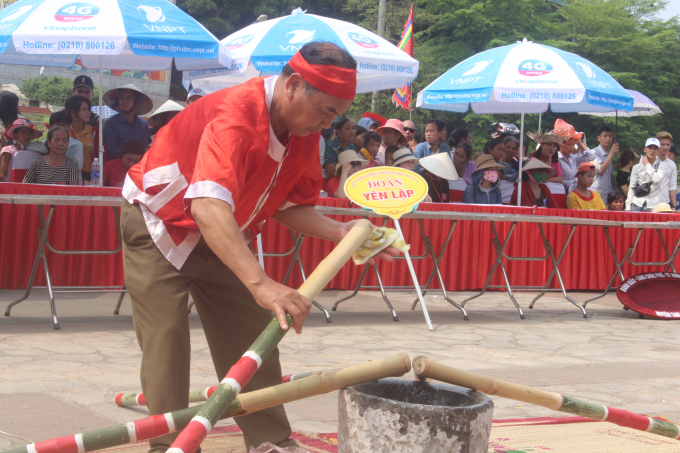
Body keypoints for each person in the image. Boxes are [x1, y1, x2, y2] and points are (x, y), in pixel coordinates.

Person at [121, 42, 398, 452]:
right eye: (326, 111)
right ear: (295, 85)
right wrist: (262, 283)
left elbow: (288, 205)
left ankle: (271, 442)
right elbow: (208, 205)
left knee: (253, 334)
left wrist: (341, 231)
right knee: (166, 337)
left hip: (224, 229)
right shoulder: (236, 113)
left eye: (338, 116)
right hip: (161, 221)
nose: (328, 124)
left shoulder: (303, 133)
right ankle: (172, 446)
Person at [27, 112, 84, 184]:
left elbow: (73, 188)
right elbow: (25, 186)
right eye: (58, 124)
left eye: (65, 124)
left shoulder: (72, 164)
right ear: (50, 127)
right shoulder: (36, 163)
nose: (60, 144)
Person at [103, 84, 151, 160]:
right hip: (116, 165)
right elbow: (110, 152)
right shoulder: (110, 123)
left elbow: (144, 149)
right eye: (121, 97)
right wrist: (132, 149)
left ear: (137, 101)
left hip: (137, 167)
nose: (124, 101)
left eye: (129, 97)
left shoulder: (143, 125)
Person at [626, 138, 672, 212]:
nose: (652, 151)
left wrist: (647, 165)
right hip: (637, 203)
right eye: (650, 148)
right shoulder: (637, 167)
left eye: (655, 148)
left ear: (658, 150)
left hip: (653, 204)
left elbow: (656, 179)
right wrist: (628, 207)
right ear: (645, 149)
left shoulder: (663, 165)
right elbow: (632, 187)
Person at [65, 95, 100, 184]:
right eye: (84, 109)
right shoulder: (64, 131)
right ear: (73, 112)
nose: (88, 112)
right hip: (66, 177)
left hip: (89, 178)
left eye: (88, 109)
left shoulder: (94, 132)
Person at [590, 126, 619, 201]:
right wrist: (612, 154)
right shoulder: (593, 153)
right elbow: (600, 170)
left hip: (609, 194)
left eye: (610, 136)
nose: (608, 139)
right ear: (599, 138)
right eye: (605, 136)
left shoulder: (609, 153)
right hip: (597, 193)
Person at [656, 131, 677, 210]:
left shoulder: (672, 165)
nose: (665, 147)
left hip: (665, 203)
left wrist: (674, 206)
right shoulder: (649, 162)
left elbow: (672, 186)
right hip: (649, 202)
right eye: (663, 144)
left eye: (668, 145)